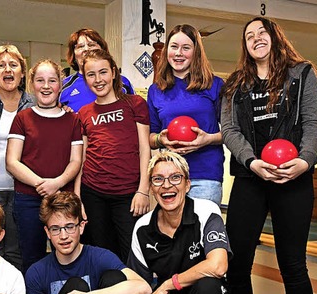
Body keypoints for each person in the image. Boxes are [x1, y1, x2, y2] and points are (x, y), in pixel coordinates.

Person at [220, 17, 317, 294]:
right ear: (245, 46)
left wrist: (305, 161)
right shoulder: (236, 84)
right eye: (249, 36)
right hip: (251, 177)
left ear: (274, 37)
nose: (255, 39)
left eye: (261, 32)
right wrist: (251, 161)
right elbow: (229, 130)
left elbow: (315, 123)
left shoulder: (303, 73)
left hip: (293, 177)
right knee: (237, 261)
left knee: (292, 264)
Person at [122, 150, 234, 294]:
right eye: (158, 179)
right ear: (152, 188)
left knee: (208, 285)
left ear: (187, 185)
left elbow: (218, 265)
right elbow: (141, 287)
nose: (166, 185)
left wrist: (167, 284)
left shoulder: (206, 211)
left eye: (175, 178)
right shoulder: (143, 227)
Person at [6, 59, 83, 273]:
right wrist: (42, 184)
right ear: (32, 84)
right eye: (40, 80)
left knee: (68, 254)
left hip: (64, 197)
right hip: (28, 199)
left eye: (52, 80)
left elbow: (76, 161)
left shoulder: (72, 120)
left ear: (60, 85)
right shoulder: (22, 118)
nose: (46, 86)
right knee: (32, 257)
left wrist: (57, 183)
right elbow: (12, 162)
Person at [75, 49, 151, 262]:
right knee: (101, 255)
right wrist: (78, 198)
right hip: (94, 194)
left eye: (103, 72)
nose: (98, 80)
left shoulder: (134, 104)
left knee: (132, 256)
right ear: (85, 78)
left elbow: (145, 148)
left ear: (114, 73)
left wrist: (143, 191)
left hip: (128, 195)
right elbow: (81, 159)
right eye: (91, 74)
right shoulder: (85, 113)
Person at [147, 24, 225, 205]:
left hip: (205, 175)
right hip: (168, 177)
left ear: (196, 52)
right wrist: (161, 139)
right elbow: (150, 137)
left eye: (186, 48)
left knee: (201, 231)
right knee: (170, 233)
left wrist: (208, 139)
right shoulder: (156, 90)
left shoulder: (215, 85)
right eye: (174, 47)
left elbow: (231, 132)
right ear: (167, 50)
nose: (179, 53)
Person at [0, 44, 34, 271]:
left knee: (19, 251)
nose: (8, 70)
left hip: (24, 189)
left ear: (22, 72)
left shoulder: (34, 105)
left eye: (13, 65)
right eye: (1, 65)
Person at [60, 28, 135, 112]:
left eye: (91, 45)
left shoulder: (123, 82)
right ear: (73, 54)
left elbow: (137, 115)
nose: (86, 49)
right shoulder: (63, 86)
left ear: (102, 49)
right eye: (80, 46)